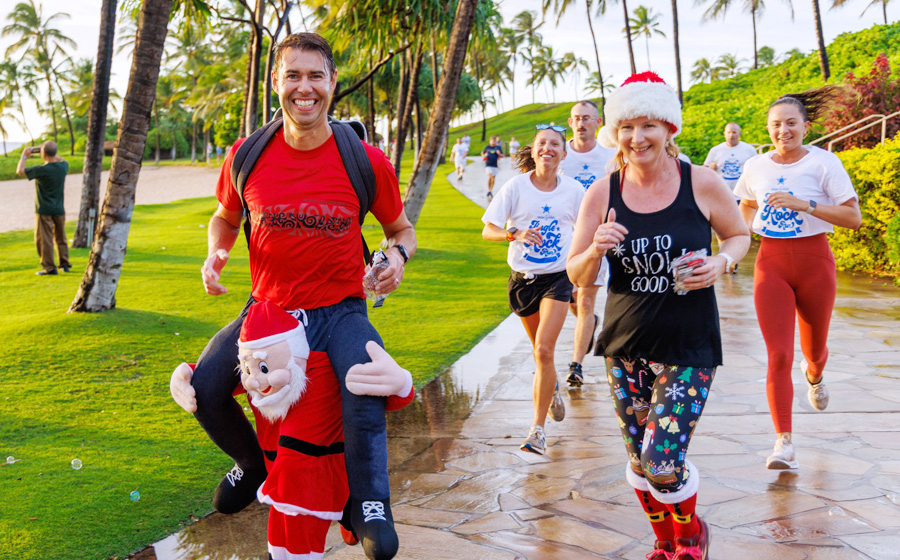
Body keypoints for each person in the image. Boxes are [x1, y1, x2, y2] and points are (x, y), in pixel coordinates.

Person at [171, 33, 416, 560]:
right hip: (270, 312)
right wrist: (217, 252)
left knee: (363, 382)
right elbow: (225, 216)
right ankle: (253, 465)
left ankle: (370, 503)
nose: (304, 88)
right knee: (207, 388)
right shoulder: (247, 155)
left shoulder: (365, 160)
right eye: (292, 76)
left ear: (332, 83)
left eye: (315, 76)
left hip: (340, 311)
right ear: (276, 84)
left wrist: (395, 259)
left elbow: (401, 229)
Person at [568, 72, 750, 560]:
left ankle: (690, 535)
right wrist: (595, 251)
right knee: (639, 462)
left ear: (669, 129)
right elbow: (578, 273)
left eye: (648, 124)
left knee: (661, 460)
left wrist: (720, 262)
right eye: (627, 127)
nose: (637, 137)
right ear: (615, 132)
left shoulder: (701, 182)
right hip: (624, 347)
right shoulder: (603, 193)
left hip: (689, 345)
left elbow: (738, 235)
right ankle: (666, 543)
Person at [734, 87, 861, 471]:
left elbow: (852, 218)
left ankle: (816, 374)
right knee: (778, 354)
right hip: (770, 262)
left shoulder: (824, 164)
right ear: (768, 129)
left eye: (791, 123)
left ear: (806, 126)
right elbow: (746, 203)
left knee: (814, 350)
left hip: (814, 261)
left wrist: (804, 204)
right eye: (776, 125)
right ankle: (783, 442)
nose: (783, 130)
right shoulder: (755, 166)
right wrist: (738, 243)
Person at [482, 124, 584, 455]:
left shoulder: (573, 191)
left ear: (563, 153)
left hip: (557, 278)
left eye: (555, 144)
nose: (548, 149)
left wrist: (581, 278)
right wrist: (514, 234)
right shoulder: (515, 187)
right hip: (522, 280)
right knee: (541, 354)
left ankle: (537, 431)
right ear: (534, 149)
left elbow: (584, 234)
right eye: (542, 143)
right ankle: (550, 386)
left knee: (544, 350)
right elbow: (488, 230)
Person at [559, 100, 617, 388]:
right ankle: (590, 323)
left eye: (587, 118)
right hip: (563, 238)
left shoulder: (611, 157)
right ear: (570, 123)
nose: (581, 123)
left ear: (597, 123)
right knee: (572, 299)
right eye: (576, 118)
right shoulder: (558, 154)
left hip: (596, 240)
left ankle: (576, 364)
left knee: (584, 299)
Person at [16, 141, 71, 276]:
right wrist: (48, 151)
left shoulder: (41, 170)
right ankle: (65, 264)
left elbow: (19, 171)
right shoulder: (63, 167)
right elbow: (62, 160)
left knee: (44, 240)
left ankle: (49, 268)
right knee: (61, 237)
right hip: (59, 209)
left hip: (44, 210)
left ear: (43, 153)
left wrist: (24, 155)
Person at [703, 123, 757, 201]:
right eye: (729, 132)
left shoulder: (749, 149)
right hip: (722, 195)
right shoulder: (716, 150)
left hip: (743, 196)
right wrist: (710, 170)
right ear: (724, 134)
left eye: (734, 132)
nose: (731, 135)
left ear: (739, 134)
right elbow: (704, 170)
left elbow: (757, 169)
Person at [481, 136, 504, 201]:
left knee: (493, 178)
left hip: (495, 165)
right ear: (490, 141)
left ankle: (490, 190)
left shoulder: (498, 148)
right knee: (490, 176)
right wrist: (484, 155)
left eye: (494, 141)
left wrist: (499, 154)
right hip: (488, 164)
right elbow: (482, 153)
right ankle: (489, 189)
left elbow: (502, 155)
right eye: (492, 141)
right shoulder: (487, 147)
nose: (493, 142)